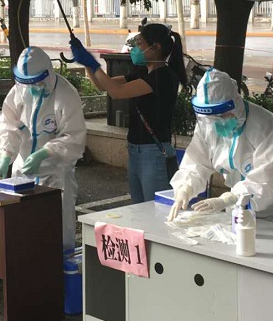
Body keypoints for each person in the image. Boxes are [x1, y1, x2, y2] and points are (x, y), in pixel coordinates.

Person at [168, 68, 273, 221]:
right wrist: (185, 187)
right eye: (211, 118)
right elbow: (197, 161)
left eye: (222, 115)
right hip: (242, 211)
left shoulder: (266, 126)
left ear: (235, 104)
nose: (217, 122)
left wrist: (229, 199)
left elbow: (272, 179)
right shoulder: (208, 125)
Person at [70, 24, 187, 204]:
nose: (135, 49)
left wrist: (93, 63)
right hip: (135, 150)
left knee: (155, 209)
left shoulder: (163, 76)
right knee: (139, 208)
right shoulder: (143, 73)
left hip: (153, 153)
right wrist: (87, 63)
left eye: (140, 44)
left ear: (156, 47)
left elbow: (117, 92)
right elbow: (103, 85)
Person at [0, 46, 86, 251]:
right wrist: (6, 157)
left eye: (37, 82)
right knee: (23, 226)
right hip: (21, 173)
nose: (33, 88)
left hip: (55, 174)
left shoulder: (65, 95)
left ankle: (60, 266)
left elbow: (74, 137)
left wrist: (45, 153)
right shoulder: (19, 92)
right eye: (27, 83)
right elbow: (8, 124)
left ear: (47, 75)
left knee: (57, 228)